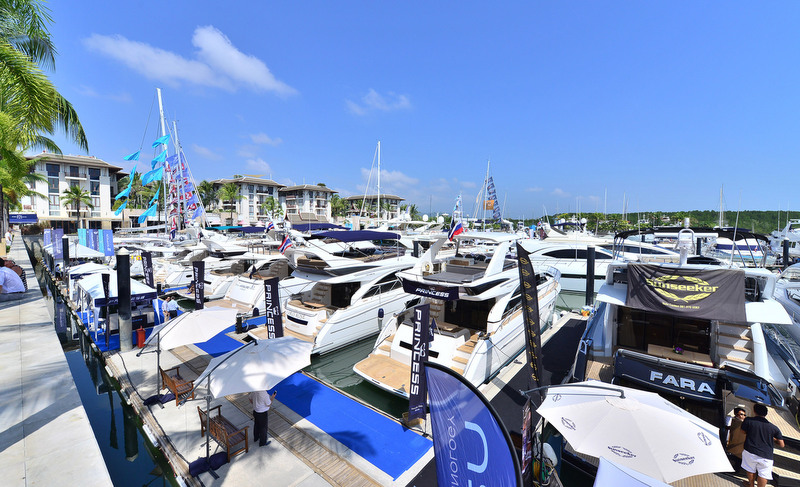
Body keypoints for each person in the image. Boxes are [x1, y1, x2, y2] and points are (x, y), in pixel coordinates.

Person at [741, 402, 784, 487]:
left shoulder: (748, 420)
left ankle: (751, 485)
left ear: (754, 411)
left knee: (750, 469)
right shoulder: (774, 428)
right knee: (764, 474)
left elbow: (742, 431)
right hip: (766, 455)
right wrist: (772, 438)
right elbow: (782, 444)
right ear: (766, 414)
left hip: (750, 451)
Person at [726, 406, 747, 471]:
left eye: (744, 415)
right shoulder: (732, 421)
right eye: (741, 414)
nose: (743, 416)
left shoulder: (745, 424)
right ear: (736, 414)